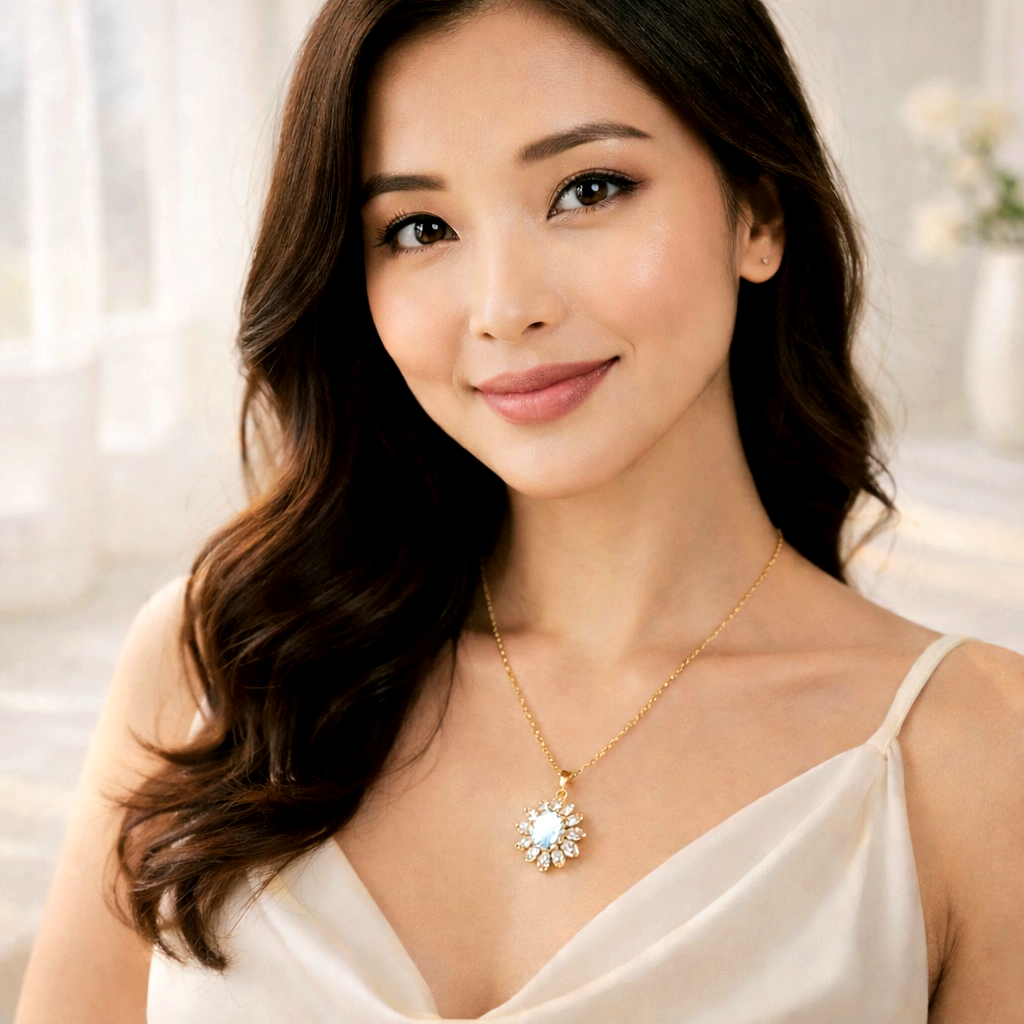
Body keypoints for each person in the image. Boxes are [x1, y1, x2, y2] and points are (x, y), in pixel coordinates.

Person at [15, 0, 1024, 1021]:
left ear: (756, 216)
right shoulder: (220, 666)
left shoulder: (978, 756)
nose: (506, 307)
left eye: (589, 190)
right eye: (420, 229)